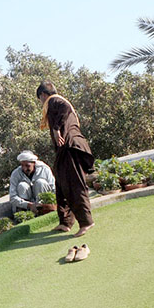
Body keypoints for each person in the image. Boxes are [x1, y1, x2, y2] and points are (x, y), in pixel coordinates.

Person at [36, 82, 95, 237]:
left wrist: (56, 128)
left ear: (43, 95)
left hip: (70, 147)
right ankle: (65, 222)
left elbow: (64, 108)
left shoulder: (55, 100)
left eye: (40, 99)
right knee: (62, 184)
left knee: (74, 184)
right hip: (65, 150)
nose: (41, 103)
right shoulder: (54, 102)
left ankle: (86, 222)